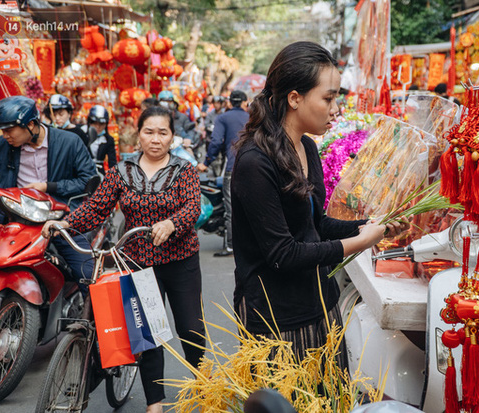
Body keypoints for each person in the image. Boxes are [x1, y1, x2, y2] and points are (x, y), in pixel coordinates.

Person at [230, 41, 401, 367]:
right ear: (295, 98)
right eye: (328, 98)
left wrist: (370, 226)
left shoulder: (306, 147)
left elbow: (315, 224)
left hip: (321, 302)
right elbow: (283, 253)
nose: (336, 107)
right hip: (276, 319)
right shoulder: (255, 162)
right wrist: (357, 242)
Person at [42, 105, 205, 413]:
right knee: (149, 333)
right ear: (137, 135)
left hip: (181, 261)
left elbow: (192, 208)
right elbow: (97, 207)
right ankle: (154, 402)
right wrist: (66, 223)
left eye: (163, 133)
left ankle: (201, 382)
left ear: (172, 137)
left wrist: (172, 223)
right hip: (138, 263)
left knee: (190, 328)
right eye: (149, 132)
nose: (155, 139)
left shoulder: (184, 170)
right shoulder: (121, 172)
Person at [0, 96, 97, 290]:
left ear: (30, 124)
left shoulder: (70, 142)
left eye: (9, 129)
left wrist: (49, 187)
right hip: (16, 223)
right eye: (2, 130)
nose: (5, 135)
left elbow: (87, 180)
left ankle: (91, 318)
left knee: (88, 273)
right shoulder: (1, 146)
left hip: (60, 221)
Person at [197, 90, 249, 257]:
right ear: (244, 102)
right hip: (256, 167)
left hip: (233, 168)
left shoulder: (222, 118)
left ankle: (231, 246)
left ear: (229, 103)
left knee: (231, 207)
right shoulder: (252, 118)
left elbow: (216, 142)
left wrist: (206, 163)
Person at [82, 105, 118, 175]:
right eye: (95, 123)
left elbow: (112, 162)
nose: (98, 127)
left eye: (101, 124)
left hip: (99, 173)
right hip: (83, 171)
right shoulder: (82, 134)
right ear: (89, 122)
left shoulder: (108, 140)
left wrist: (113, 177)